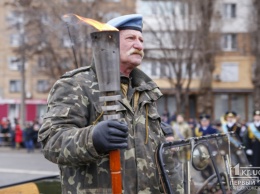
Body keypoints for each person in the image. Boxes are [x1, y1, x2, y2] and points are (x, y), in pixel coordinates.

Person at [38, 14, 181, 193]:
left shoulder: (146, 91)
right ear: (110, 42)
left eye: (141, 40)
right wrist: (93, 139)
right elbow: (52, 142)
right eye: (131, 38)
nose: (139, 45)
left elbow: (163, 159)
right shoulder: (76, 84)